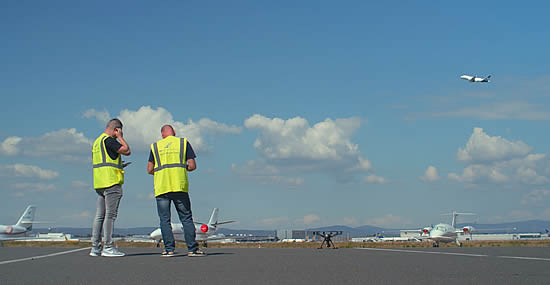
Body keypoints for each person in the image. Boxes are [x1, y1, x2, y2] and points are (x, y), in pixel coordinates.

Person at [147, 124, 206, 257]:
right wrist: (183, 168)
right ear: (174, 132)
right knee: (186, 218)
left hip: (162, 187)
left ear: (162, 134)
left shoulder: (155, 146)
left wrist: (160, 173)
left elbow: (149, 169)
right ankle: (192, 249)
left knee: (164, 220)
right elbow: (192, 166)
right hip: (179, 186)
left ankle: (169, 249)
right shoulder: (183, 143)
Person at [90, 118, 131, 257]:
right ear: (116, 129)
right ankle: (108, 246)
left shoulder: (97, 142)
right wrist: (121, 137)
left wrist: (119, 165)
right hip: (111, 182)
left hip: (99, 182)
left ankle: (95, 247)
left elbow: (105, 159)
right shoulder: (109, 140)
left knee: (99, 215)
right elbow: (126, 150)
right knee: (110, 215)